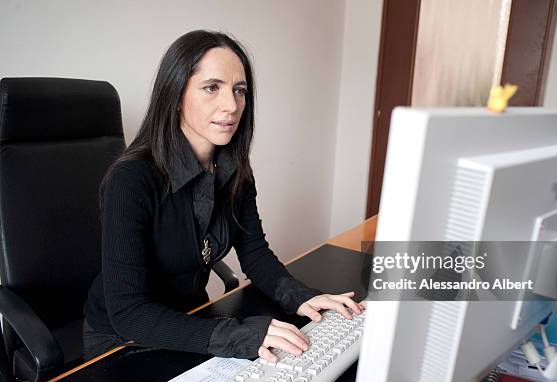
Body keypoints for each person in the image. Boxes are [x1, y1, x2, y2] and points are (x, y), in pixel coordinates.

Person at [83, 30, 363, 362]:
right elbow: (129, 312)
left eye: (239, 90)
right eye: (211, 87)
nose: (231, 105)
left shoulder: (233, 169)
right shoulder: (130, 180)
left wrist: (301, 298)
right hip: (121, 342)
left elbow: (255, 253)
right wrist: (235, 335)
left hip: (192, 321)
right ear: (175, 93)